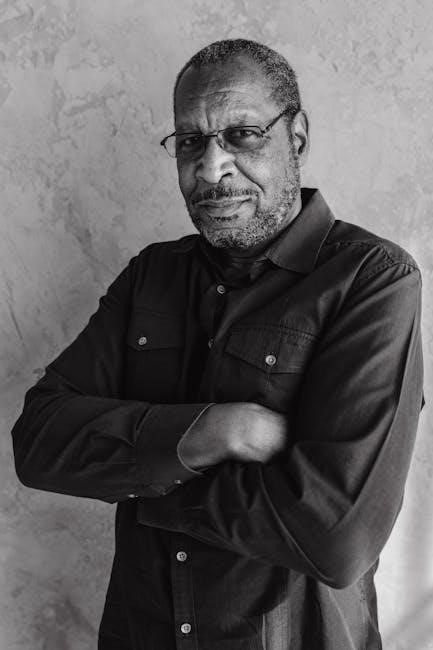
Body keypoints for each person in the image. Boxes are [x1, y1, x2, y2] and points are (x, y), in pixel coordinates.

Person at [12, 38, 423, 650]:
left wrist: (149, 480)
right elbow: (38, 442)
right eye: (189, 141)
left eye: (242, 134)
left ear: (297, 138)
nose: (210, 167)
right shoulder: (150, 276)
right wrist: (220, 430)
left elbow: (337, 537)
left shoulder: (372, 280)